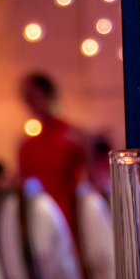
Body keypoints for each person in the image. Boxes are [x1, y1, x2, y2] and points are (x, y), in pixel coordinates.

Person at [17, 73, 87, 234]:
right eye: (27, 98)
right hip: (40, 222)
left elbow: (91, 179)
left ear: (49, 95)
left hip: (70, 217)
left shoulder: (72, 136)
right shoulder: (27, 146)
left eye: (34, 96)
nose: (31, 103)